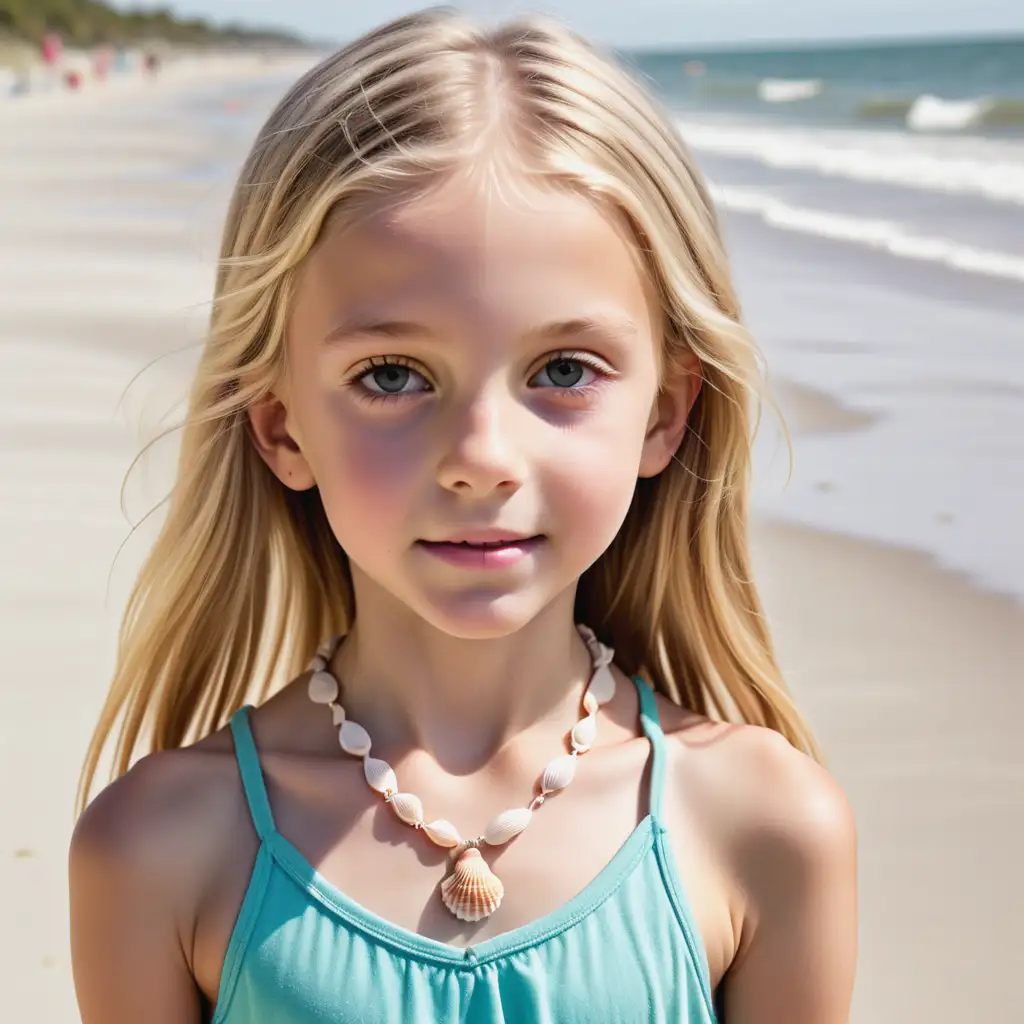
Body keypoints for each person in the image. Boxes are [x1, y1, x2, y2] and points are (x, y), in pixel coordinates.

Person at [68, 10, 857, 1023]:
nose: (481, 457)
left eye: (562, 371)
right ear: (280, 426)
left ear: (664, 414)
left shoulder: (764, 825)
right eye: (391, 374)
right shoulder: (162, 847)